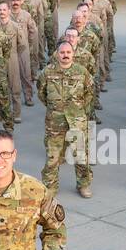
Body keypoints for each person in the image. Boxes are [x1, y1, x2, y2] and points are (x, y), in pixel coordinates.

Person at [38, 39, 93, 198]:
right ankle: (50, 187)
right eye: (62, 52)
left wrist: (77, 109)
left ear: (73, 53)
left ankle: (83, 185)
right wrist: (55, 108)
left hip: (77, 121)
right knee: (53, 156)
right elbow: (42, 93)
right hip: (55, 122)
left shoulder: (82, 72)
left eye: (68, 52)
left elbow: (89, 93)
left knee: (81, 155)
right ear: (57, 54)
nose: (65, 55)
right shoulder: (47, 72)